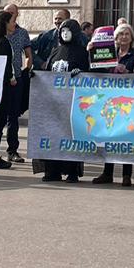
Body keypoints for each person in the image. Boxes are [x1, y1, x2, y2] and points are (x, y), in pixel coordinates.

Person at [41, 18, 89, 183]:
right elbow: (47, 72)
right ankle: (52, 170)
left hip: (73, 102)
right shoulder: (55, 51)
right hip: (54, 102)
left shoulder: (82, 52)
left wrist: (81, 72)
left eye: (68, 30)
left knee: (71, 136)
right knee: (53, 135)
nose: (65, 33)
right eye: (62, 30)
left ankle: (72, 171)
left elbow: (89, 74)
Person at [93, 23, 134, 186]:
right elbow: (96, 69)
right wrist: (91, 50)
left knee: (127, 137)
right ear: (116, 38)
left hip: (128, 102)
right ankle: (107, 172)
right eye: (121, 35)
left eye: (127, 34)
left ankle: (127, 174)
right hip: (109, 100)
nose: (124, 37)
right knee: (109, 137)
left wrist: (128, 72)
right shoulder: (109, 53)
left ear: (131, 37)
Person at [0, 9, 24, 170]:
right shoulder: (4, 43)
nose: (14, 24)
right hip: (3, 87)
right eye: (12, 21)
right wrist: (12, 78)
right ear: (5, 24)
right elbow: (5, 65)